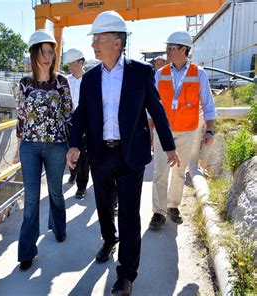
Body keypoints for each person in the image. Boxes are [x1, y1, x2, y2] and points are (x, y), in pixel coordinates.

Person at [66, 11, 180, 295]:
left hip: (131, 155)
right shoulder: (91, 78)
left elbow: (157, 110)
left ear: (117, 42)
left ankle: (126, 275)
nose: (93, 44)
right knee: (104, 206)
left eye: (98, 39)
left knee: (129, 214)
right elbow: (81, 114)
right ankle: (108, 239)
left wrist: (169, 146)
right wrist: (74, 143)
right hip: (101, 154)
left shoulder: (141, 72)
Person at [13, 29, 73, 271]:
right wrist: (17, 149)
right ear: (34, 53)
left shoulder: (62, 82)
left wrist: (73, 148)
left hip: (57, 145)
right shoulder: (24, 84)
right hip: (30, 146)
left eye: (51, 52)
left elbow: (69, 116)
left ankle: (58, 228)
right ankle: (27, 250)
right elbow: (20, 118)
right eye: (43, 52)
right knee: (31, 200)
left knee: (56, 192)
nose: (47, 57)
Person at [149, 31, 216, 230]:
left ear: (184, 49)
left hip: (187, 131)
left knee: (179, 172)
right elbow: (152, 107)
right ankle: (158, 212)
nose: (167, 51)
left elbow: (208, 104)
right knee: (160, 171)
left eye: (171, 47)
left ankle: (173, 206)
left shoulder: (199, 74)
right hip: (163, 132)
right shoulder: (160, 74)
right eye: (167, 47)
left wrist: (210, 131)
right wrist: (150, 132)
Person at [63, 48, 89, 199]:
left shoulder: (90, 79)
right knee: (70, 150)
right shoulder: (65, 81)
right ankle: (73, 172)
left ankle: (82, 186)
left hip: (86, 122)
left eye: (72, 63)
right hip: (69, 121)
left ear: (81, 62)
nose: (70, 67)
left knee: (84, 155)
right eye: (69, 64)